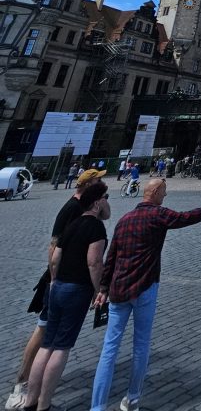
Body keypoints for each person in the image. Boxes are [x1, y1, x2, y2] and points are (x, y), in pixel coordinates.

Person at [89, 177, 201, 411]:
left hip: (119, 291)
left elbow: (111, 257)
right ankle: (132, 399)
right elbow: (187, 217)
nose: (165, 195)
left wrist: (103, 289)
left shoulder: (124, 220)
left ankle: (97, 407)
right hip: (145, 288)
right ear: (155, 192)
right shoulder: (158, 215)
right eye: (163, 191)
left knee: (109, 349)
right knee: (141, 345)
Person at [4, 168, 106, 411]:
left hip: (58, 284)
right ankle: (27, 390)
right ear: (92, 192)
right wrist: (59, 280)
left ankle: (31, 397)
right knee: (52, 340)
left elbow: (58, 253)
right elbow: (64, 252)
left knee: (47, 340)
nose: (105, 195)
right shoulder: (76, 212)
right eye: (101, 187)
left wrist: (55, 281)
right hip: (69, 286)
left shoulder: (77, 214)